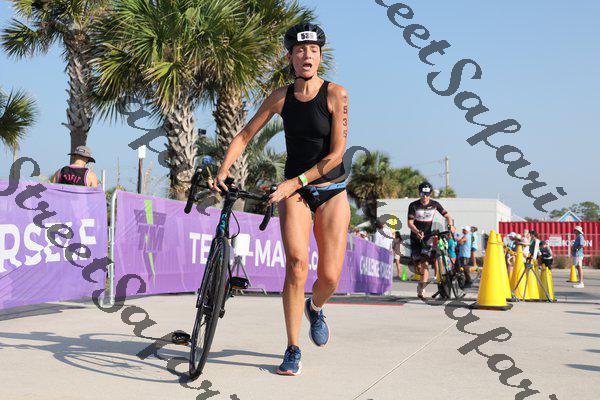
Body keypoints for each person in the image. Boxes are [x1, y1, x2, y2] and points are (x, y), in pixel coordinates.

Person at [208, 23, 349, 376]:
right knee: (297, 264)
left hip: (330, 190)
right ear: (290, 57)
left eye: (313, 50)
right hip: (294, 193)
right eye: (300, 51)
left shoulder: (336, 94)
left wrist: (294, 183)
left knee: (330, 278)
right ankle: (292, 347)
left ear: (320, 57)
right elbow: (244, 135)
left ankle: (315, 307)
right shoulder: (280, 97)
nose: (307, 56)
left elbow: (336, 155)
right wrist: (223, 170)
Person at [406, 181, 455, 299]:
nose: (425, 197)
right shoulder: (413, 205)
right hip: (415, 237)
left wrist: (451, 226)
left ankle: (422, 288)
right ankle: (420, 281)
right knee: (418, 265)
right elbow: (410, 223)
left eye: (427, 194)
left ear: (430, 194)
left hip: (427, 237)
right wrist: (417, 231)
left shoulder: (435, 204)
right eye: (422, 194)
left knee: (425, 263)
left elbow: (448, 216)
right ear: (419, 193)